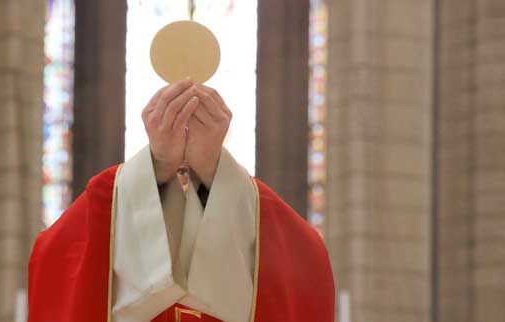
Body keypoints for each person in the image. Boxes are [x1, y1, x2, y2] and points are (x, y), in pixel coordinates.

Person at [27, 80, 334, 322]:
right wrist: (160, 163)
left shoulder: (258, 214)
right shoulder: (110, 201)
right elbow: (58, 257)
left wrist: (210, 167)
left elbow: (303, 260)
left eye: (201, 189)